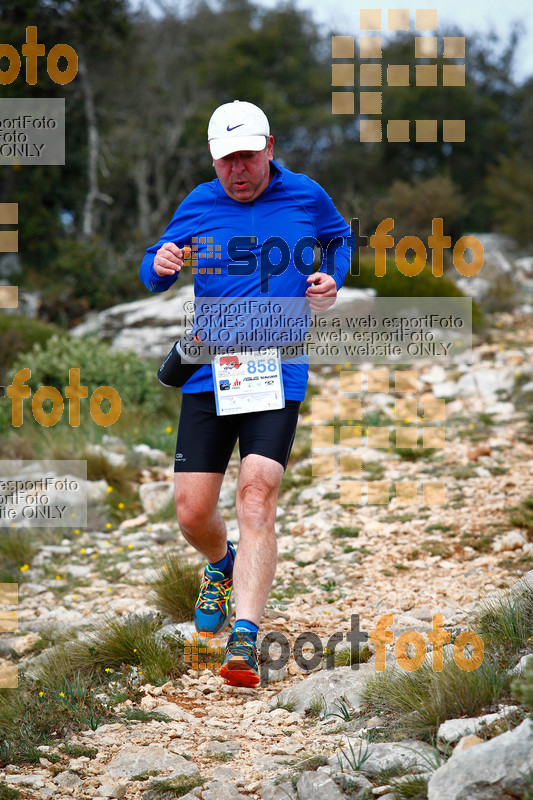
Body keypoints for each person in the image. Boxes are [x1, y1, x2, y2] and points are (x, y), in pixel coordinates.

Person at [140, 100, 352, 687]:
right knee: (192, 513)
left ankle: (245, 637)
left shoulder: (307, 194)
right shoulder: (197, 204)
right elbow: (151, 269)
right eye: (227, 160)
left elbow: (338, 240)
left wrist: (332, 277)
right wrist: (159, 266)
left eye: (247, 156)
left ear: (270, 148)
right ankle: (220, 565)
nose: (238, 169)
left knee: (257, 495)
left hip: (277, 369)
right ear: (215, 161)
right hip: (210, 371)